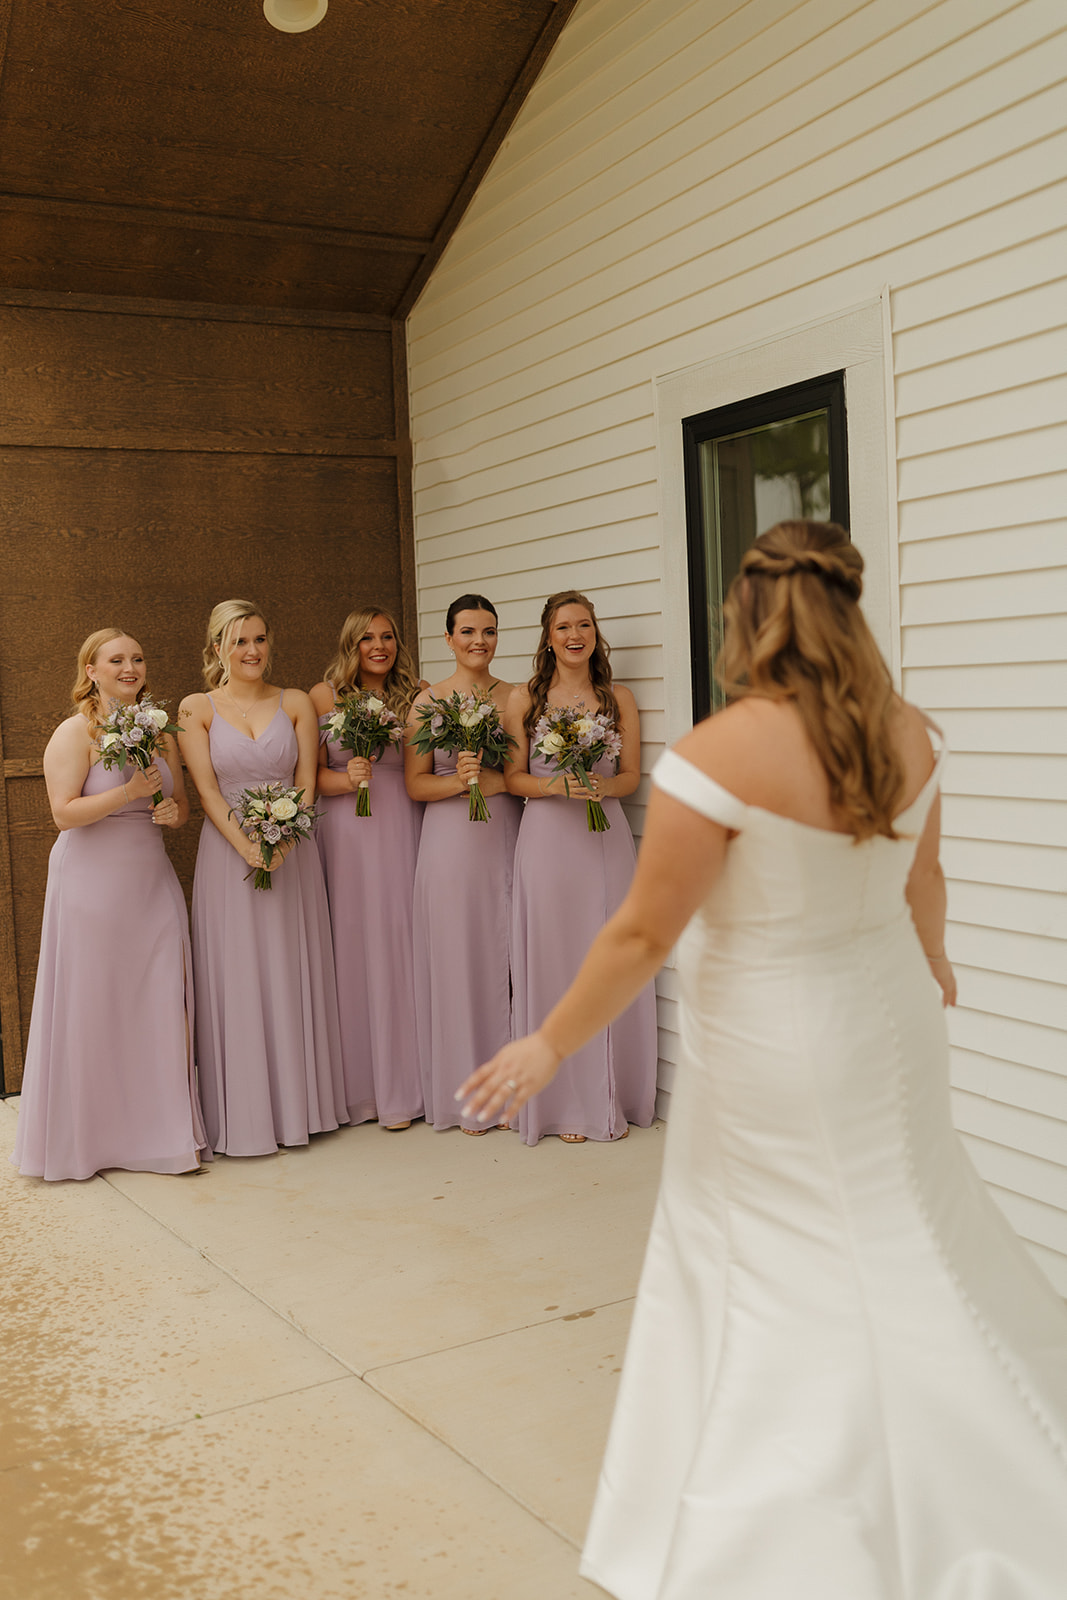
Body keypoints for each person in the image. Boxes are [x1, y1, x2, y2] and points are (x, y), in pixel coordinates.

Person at [462, 522, 1067, 1599]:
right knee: (909, 1217)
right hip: (888, 1016)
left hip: (778, 1041)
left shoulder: (717, 751)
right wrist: (931, 960)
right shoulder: (909, 733)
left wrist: (547, 1039)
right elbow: (922, 884)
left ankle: (828, 1523)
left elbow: (643, 932)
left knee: (790, 1260)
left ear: (747, 614)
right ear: (846, 609)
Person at [13, 629, 209, 1180]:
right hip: (91, 886)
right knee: (95, 1004)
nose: (130, 667)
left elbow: (180, 803)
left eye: (138, 658)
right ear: (91, 670)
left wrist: (172, 812)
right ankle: (94, 1141)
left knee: (159, 999)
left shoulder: (159, 731)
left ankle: (161, 1137)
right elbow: (62, 813)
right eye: (116, 660)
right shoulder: (74, 732)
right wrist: (127, 794)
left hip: (151, 881)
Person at [179, 601, 347, 1156]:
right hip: (228, 855)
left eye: (259, 639)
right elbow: (205, 792)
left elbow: (305, 779)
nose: (252, 651)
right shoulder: (194, 709)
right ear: (217, 649)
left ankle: (302, 1107)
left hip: (292, 852)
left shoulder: (295, 702)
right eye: (239, 641)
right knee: (239, 972)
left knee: (287, 964)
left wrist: (283, 839)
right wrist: (249, 846)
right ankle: (243, 1114)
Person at [503, 591, 657, 1144]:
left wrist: (599, 785)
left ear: (595, 633)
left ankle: (614, 1090)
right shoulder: (525, 699)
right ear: (548, 637)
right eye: (563, 626)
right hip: (546, 841)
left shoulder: (619, 698)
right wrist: (554, 785)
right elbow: (513, 779)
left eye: (584, 624)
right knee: (555, 961)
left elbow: (632, 775)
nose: (575, 634)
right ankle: (563, 1103)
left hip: (605, 837)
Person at [406, 594, 522, 1134]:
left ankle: (512, 1093)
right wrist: (462, 780)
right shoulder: (427, 702)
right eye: (469, 631)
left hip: (506, 833)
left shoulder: (518, 697)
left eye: (490, 631)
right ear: (448, 638)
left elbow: (522, 776)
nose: (480, 641)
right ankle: (465, 1095)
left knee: (508, 957)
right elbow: (415, 783)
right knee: (459, 958)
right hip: (450, 842)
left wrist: (490, 779)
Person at [309, 606, 426, 1131]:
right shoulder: (323, 696)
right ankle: (358, 1092)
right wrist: (347, 776)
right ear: (349, 644)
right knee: (351, 949)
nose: (379, 646)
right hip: (344, 834)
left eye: (387, 637)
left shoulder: (418, 694)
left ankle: (407, 1086)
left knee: (402, 946)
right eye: (366, 639)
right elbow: (306, 775)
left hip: (401, 826)